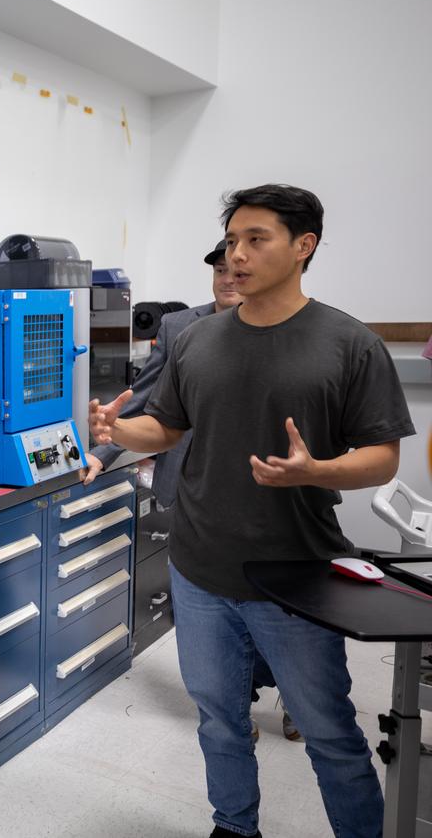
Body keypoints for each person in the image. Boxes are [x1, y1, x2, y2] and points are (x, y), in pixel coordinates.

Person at [90, 184, 414, 838]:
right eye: (232, 241)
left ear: (304, 246)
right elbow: (168, 429)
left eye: (255, 239)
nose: (236, 255)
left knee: (328, 730)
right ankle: (234, 824)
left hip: (295, 573)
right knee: (218, 717)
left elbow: (382, 459)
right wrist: (121, 434)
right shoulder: (197, 339)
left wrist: (317, 470)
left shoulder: (348, 343)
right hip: (200, 566)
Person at [85, 241, 299, 742]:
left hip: (260, 496)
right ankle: (232, 704)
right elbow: (142, 402)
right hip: (190, 489)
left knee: (272, 607)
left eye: (234, 269)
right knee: (209, 610)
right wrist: (102, 449)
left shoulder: (287, 330)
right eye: (219, 271)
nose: (227, 278)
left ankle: (289, 690)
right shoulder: (181, 328)